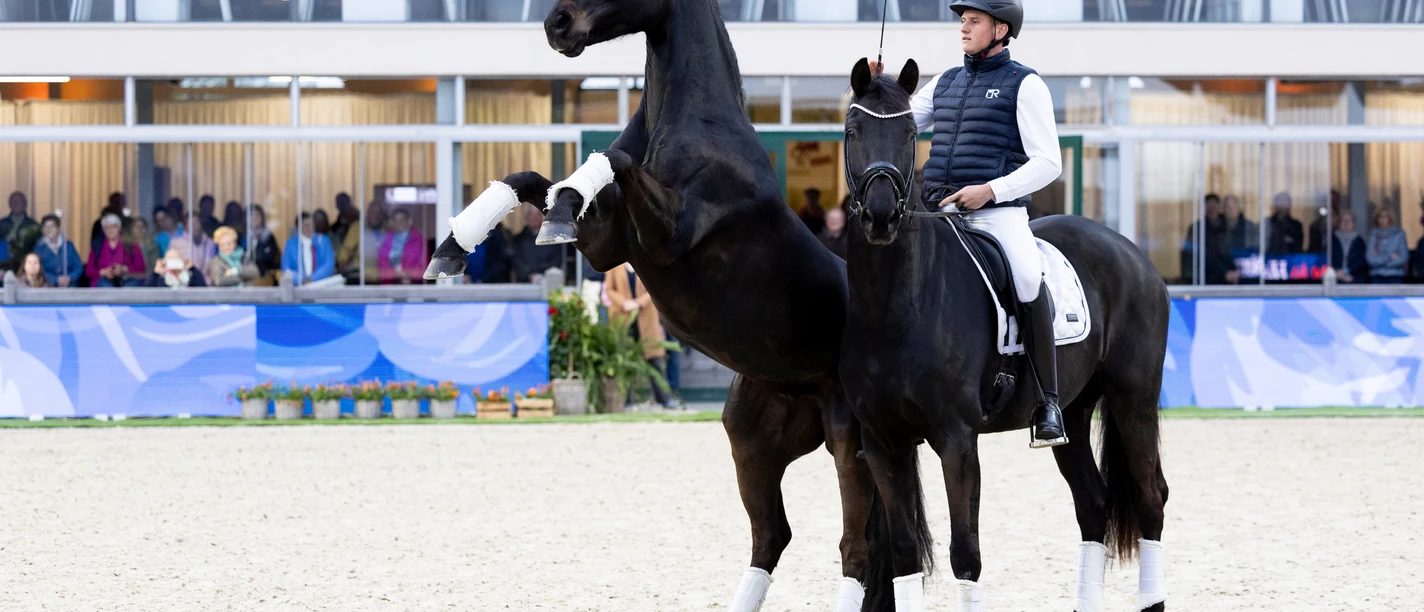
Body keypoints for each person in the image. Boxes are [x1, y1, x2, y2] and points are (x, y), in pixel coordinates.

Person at [901, 0, 1065, 447]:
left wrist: (991, 190)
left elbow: (1049, 162)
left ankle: (1048, 401)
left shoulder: (1025, 84)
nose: (964, 28)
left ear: (1001, 29)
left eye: (973, 21)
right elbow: (899, 122)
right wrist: (877, 88)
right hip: (939, 214)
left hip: (996, 215)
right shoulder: (945, 83)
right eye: (962, 21)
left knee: (1029, 278)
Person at [605, 262, 677, 409]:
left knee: (655, 359)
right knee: (624, 360)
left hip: (645, 318)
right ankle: (626, 400)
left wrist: (638, 303)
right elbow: (609, 289)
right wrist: (624, 303)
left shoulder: (642, 260)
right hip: (622, 318)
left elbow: (653, 287)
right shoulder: (613, 265)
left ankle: (664, 399)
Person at [1180, 194, 1237, 285]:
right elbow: (1197, 254)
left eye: (1214, 206)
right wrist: (1224, 272)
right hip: (1205, 279)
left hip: (1230, 278)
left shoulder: (1227, 226)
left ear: (1219, 207)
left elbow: (1231, 250)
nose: (1211, 209)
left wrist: (1233, 272)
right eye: (1209, 206)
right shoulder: (1197, 228)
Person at [86, 214, 146, 287]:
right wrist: (103, 272)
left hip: (127, 280)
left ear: (119, 228)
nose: (110, 230)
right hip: (103, 281)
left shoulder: (130, 244)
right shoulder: (97, 246)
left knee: (127, 292)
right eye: (107, 227)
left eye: (113, 227)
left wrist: (124, 269)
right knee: (107, 290)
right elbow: (88, 270)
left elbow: (141, 266)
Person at [510, 204, 562, 284]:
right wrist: (530, 275)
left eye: (538, 215)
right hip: (524, 284)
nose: (535, 218)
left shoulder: (552, 239)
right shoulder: (518, 240)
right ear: (527, 217)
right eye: (531, 215)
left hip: (548, 282)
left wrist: (544, 274)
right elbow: (517, 262)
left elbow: (557, 259)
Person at [337, 201, 387, 285]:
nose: (376, 215)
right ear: (367, 213)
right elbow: (346, 249)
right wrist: (342, 261)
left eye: (379, 212)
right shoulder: (357, 227)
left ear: (382, 215)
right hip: (359, 275)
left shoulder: (388, 229)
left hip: (381, 277)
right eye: (372, 212)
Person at [282, 212, 336, 284]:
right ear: (298, 227)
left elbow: (329, 264)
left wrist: (312, 279)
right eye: (306, 225)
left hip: (321, 286)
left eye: (312, 225)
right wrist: (301, 280)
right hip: (298, 288)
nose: (310, 228)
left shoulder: (323, 241)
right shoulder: (291, 244)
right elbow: (286, 267)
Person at [378, 208, 427, 285]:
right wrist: (395, 274)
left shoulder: (419, 240)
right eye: (395, 220)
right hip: (391, 284)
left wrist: (409, 275)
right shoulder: (386, 239)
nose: (399, 223)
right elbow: (382, 264)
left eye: (402, 220)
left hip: (413, 284)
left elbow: (423, 264)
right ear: (392, 222)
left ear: (409, 221)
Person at [33, 214, 83, 288]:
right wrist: (56, 279)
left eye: (52, 226)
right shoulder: (39, 248)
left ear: (58, 229)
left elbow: (78, 267)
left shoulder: (68, 246)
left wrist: (69, 278)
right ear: (43, 230)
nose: (49, 229)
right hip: (48, 285)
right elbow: (38, 270)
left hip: (70, 284)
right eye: (46, 227)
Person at [1365, 207, 1408, 284]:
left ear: (1390, 219)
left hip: (1395, 275)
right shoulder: (1373, 235)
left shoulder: (1399, 234)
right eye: (1380, 217)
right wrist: (1389, 257)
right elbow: (1370, 259)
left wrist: (1379, 260)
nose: (1382, 220)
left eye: (1385, 217)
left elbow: (1404, 257)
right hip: (1377, 275)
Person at [1, 191, 40, 271]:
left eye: (20, 201)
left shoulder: (33, 225)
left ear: (25, 204)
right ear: (10, 204)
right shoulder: (2, 224)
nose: (17, 204)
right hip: (4, 266)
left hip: (26, 266)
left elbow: (37, 247)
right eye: (14, 201)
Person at [1331, 211, 1368, 284]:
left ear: (1353, 223)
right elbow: (1329, 258)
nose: (1346, 223)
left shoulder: (1359, 241)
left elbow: (1361, 261)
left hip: (1354, 277)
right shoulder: (1332, 240)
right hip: (1335, 276)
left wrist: (1347, 272)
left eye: (1349, 221)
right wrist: (1336, 271)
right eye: (1343, 220)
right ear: (1339, 223)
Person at [247, 204, 282, 281]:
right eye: (252, 215)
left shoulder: (268, 236)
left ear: (262, 217)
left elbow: (273, 257)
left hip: (265, 277)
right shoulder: (243, 236)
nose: (255, 218)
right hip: (246, 277)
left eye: (258, 215)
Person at [1265, 191, 1304, 256]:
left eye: (1285, 203)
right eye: (1280, 202)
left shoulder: (1296, 225)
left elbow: (1297, 246)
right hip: (1270, 259)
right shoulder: (1268, 223)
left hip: (1290, 260)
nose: (1282, 206)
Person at [1307, 190, 1341, 254]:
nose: (1331, 204)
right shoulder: (1315, 226)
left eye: (1333, 201)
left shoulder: (1342, 224)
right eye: (1328, 201)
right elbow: (1313, 247)